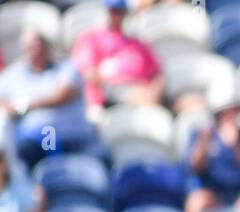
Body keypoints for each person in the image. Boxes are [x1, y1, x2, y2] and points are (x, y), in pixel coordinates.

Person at [0, 31, 95, 170]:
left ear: (49, 48)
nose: (37, 51)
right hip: (29, 137)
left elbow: (64, 94)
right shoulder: (14, 74)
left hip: (64, 136)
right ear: (25, 50)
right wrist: (9, 107)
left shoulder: (67, 67)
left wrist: (27, 106)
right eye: (32, 47)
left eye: (41, 46)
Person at [69, 0, 164, 112]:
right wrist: (127, 89)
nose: (115, 16)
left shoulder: (139, 44)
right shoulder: (91, 38)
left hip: (141, 95)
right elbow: (89, 74)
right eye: (111, 11)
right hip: (105, 99)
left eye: (119, 12)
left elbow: (158, 73)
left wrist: (153, 92)